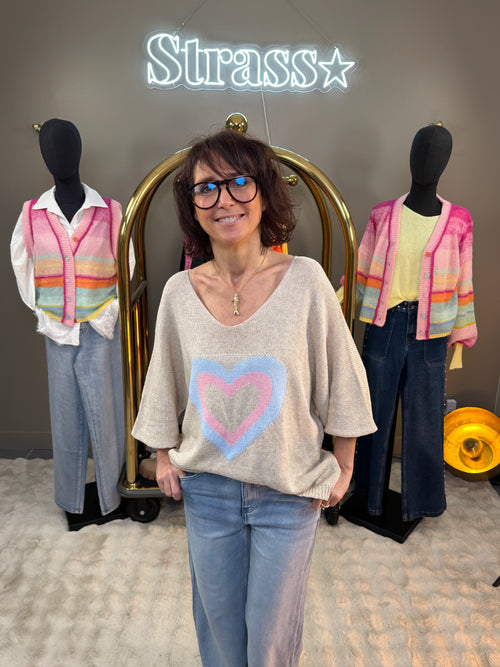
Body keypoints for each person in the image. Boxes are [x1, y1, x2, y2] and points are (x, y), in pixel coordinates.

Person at [132, 128, 375, 667]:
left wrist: (344, 465)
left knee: (269, 641)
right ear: (192, 206)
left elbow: (343, 376)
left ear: (264, 191)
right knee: (218, 632)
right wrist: (163, 455)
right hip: (208, 490)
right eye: (206, 188)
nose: (224, 199)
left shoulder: (307, 281)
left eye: (239, 182)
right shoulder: (179, 293)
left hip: (288, 492)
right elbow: (163, 382)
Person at [352, 123, 477, 522]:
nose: (427, 161)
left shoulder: (459, 221)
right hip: (385, 324)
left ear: (446, 162)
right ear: (409, 157)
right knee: (372, 412)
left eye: (437, 154)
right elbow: (361, 269)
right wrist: (346, 305)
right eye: (421, 152)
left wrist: (461, 332)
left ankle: (420, 504)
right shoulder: (382, 215)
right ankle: (365, 498)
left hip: (432, 332)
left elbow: (464, 280)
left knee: (424, 420)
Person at [11, 118, 134, 520]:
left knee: (108, 415)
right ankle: (71, 500)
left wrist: (109, 312)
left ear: (78, 150)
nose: (57, 156)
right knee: (65, 417)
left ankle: (112, 497)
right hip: (58, 330)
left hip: (101, 327)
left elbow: (127, 268)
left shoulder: (110, 212)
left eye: (64, 146)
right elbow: (23, 267)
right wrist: (45, 310)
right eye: (49, 148)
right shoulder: (32, 214)